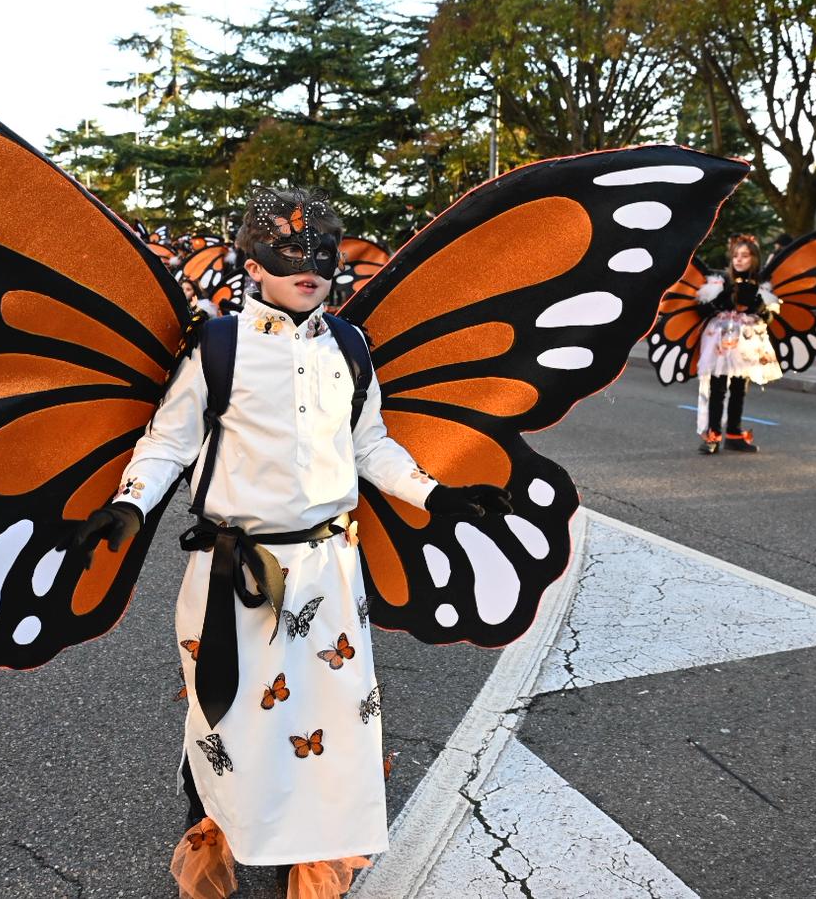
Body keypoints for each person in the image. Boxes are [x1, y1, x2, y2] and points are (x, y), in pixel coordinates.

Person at [63, 189, 509, 899]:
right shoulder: (217, 348)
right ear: (252, 266)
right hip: (235, 571)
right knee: (233, 717)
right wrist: (129, 505)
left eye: (323, 253)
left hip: (330, 572)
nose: (309, 267)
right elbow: (169, 441)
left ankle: (303, 855)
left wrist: (436, 494)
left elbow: (370, 445)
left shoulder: (350, 348)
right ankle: (221, 828)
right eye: (288, 252)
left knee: (328, 720)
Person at [694, 234, 782, 454]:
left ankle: (734, 434)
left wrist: (761, 310)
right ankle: (713, 435)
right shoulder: (722, 281)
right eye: (735, 256)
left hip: (747, 342)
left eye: (745, 255)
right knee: (717, 388)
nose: (739, 260)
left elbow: (770, 315)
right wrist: (720, 302)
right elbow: (701, 309)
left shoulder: (761, 285)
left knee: (739, 388)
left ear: (755, 258)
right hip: (721, 342)